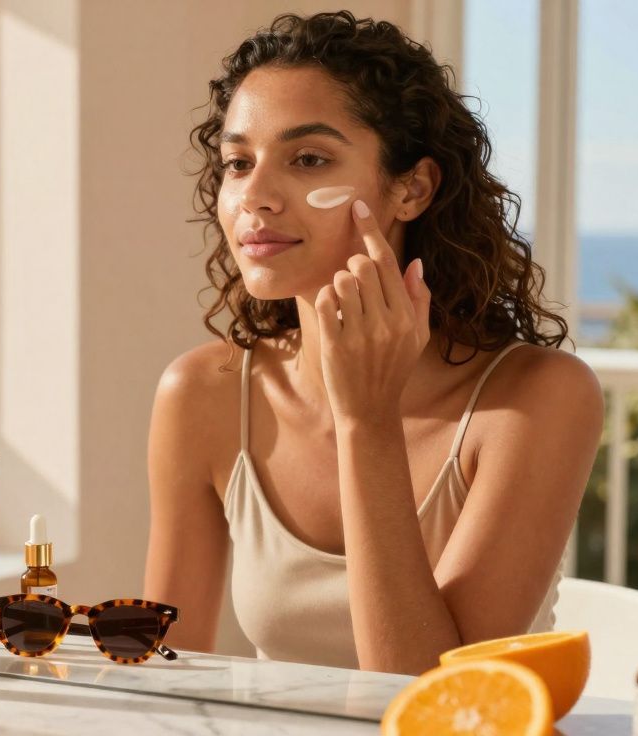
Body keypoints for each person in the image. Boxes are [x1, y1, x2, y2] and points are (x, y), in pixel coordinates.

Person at [144, 11, 604, 675]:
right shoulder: (203, 394)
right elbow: (162, 675)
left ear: (411, 188)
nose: (256, 196)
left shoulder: (536, 399)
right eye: (238, 163)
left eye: (308, 160)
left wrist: (366, 420)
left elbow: (435, 700)